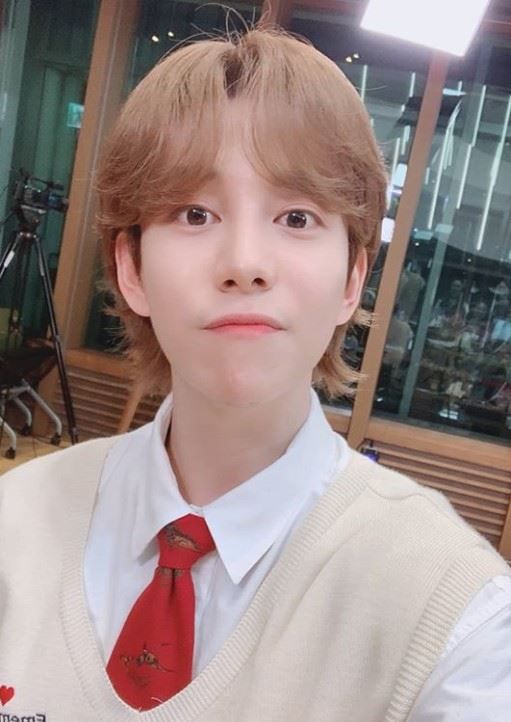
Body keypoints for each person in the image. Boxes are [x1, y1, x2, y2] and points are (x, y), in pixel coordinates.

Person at [0, 26, 510, 722]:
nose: (245, 263)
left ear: (351, 280)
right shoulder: (16, 520)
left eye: (296, 217)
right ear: (131, 268)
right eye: (195, 213)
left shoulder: (453, 611)